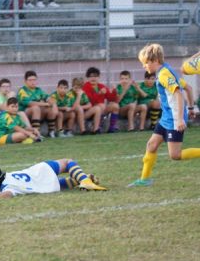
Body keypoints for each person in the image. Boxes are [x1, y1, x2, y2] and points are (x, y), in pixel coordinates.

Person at [128, 43, 200, 187]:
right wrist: (191, 108)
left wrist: (180, 118)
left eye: (145, 63)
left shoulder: (164, 75)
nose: (144, 66)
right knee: (151, 145)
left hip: (174, 119)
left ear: (155, 61)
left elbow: (178, 94)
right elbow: (188, 88)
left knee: (175, 155)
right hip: (167, 118)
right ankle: (144, 179)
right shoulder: (165, 70)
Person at [0, 158, 107, 199]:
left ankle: (85, 181)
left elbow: (4, 194)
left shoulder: (9, 188)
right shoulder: (7, 177)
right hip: (40, 171)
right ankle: (83, 179)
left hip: (42, 180)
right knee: (67, 163)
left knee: (58, 182)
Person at [17, 70, 59, 137]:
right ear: (25, 81)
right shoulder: (22, 91)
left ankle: (51, 132)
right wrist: (45, 104)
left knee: (49, 109)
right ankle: (37, 133)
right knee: (35, 107)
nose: (33, 82)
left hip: (37, 114)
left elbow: (49, 98)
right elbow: (30, 103)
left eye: (34, 80)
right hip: (24, 115)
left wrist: (54, 105)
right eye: (30, 80)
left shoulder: (38, 90)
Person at [82, 66, 119, 133]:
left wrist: (114, 91)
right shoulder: (86, 87)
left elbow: (111, 99)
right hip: (88, 112)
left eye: (95, 76)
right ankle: (97, 127)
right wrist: (100, 93)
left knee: (115, 106)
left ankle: (112, 127)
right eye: (91, 76)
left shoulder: (101, 86)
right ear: (87, 78)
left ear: (99, 77)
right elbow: (90, 101)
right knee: (100, 106)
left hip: (101, 110)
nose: (93, 78)